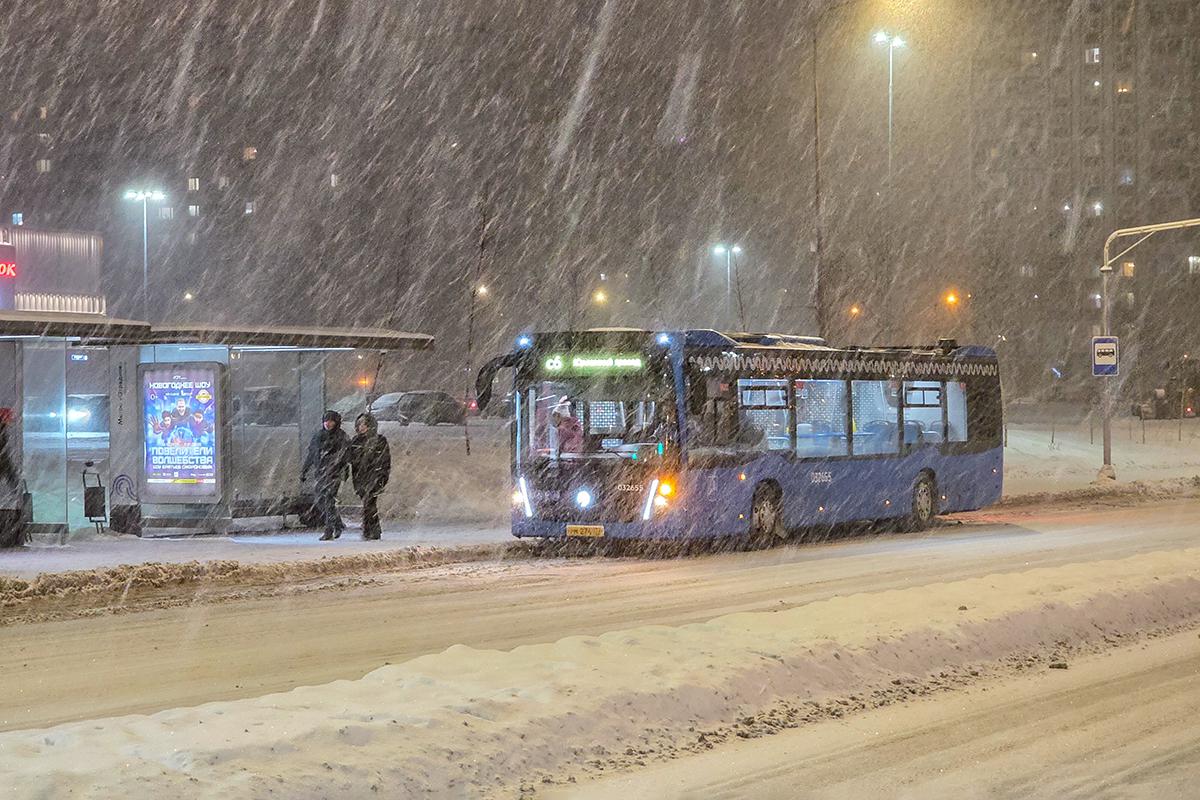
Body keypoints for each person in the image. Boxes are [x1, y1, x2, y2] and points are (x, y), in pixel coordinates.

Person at [301, 410, 350, 540]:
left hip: (333, 474)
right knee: (320, 501)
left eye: (331, 421)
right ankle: (337, 523)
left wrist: (343, 470)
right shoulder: (318, 436)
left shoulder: (341, 436)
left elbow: (346, 457)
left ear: (336, 422)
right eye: (326, 420)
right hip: (321, 473)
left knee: (328, 500)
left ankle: (329, 530)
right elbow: (312, 455)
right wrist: (304, 470)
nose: (328, 423)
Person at [349, 413, 391, 540]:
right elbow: (350, 458)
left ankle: (371, 529)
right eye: (360, 424)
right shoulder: (355, 441)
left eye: (365, 424)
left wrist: (382, 475)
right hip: (360, 477)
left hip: (375, 476)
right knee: (368, 503)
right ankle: (371, 529)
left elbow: (385, 460)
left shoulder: (380, 441)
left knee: (369, 502)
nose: (362, 427)